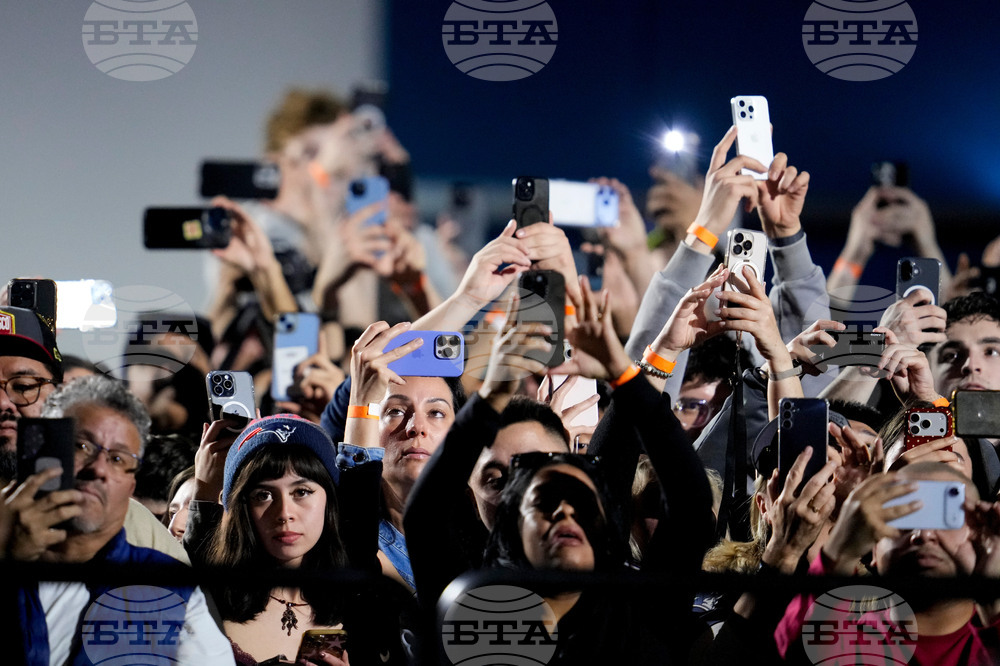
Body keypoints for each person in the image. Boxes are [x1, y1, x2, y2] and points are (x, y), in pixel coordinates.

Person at [2, 375, 233, 665]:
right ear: (42, 450)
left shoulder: (168, 585)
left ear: (131, 486)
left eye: (119, 459)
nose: (98, 468)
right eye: (81, 446)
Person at [776, 462, 1000, 664]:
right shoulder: (844, 641)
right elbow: (798, 655)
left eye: (946, 516)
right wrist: (840, 551)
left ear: (981, 534)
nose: (922, 534)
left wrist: (993, 601)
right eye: (903, 516)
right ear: (873, 549)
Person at [204, 414, 353, 665]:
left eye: (302, 492)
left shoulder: (360, 598)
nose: (284, 513)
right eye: (263, 495)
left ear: (329, 500)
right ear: (241, 508)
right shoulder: (205, 601)